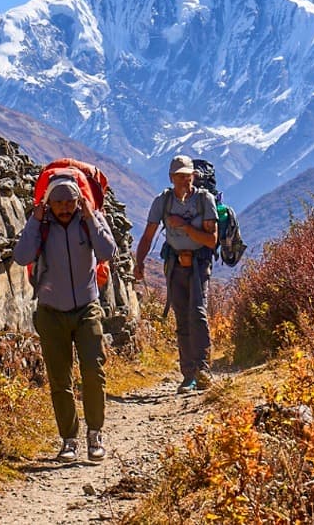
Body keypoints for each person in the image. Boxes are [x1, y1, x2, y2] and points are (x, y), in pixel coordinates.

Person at [13, 173, 117, 462]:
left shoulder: (90, 220)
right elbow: (22, 257)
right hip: (50, 312)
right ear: (48, 203)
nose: (64, 207)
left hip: (87, 308)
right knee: (60, 379)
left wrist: (91, 217)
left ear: (78, 200)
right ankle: (68, 440)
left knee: (94, 372)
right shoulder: (41, 226)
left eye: (69, 201)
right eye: (57, 202)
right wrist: (35, 220)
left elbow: (108, 251)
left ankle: (95, 434)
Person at [133, 155, 218, 393]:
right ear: (171, 177)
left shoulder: (205, 200)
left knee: (198, 313)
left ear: (193, 176)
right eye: (179, 176)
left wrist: (184, 226)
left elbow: (211, 241)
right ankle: (188, 374)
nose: (184, 180)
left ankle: (203, 371)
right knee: (182, 316)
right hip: (174, 262)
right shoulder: (163, 201)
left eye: (187, 175)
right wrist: (138, 262)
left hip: (199, 262)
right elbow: (148, 236)